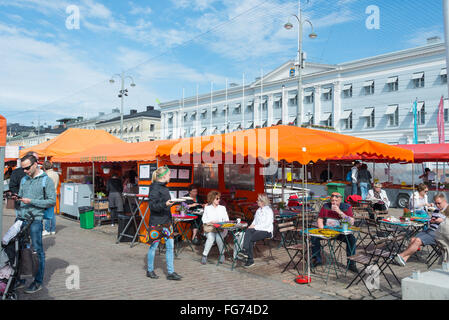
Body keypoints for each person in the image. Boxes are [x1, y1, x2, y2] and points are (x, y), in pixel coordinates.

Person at [14, 153, 56, 294]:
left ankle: (37, 282)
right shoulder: (24, 179)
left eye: (27, 168)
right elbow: (21, 196)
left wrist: (31, 201)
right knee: (18, 250)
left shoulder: (47, 181)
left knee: (37, 251)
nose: (24, 171)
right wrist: (17, 198)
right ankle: (20, 279)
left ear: (35, 164)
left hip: (36, 220)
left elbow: (51, 201)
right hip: (21, 219)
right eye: (23, 168)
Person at [146, 166, 182, 281]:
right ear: (164, 176)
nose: (170, 176)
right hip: (156, 223)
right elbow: (152, 206)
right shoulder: (154, 188)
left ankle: (170, 272)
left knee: (170, 247)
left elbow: (165, 204)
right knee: (153, 247)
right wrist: (165, 204)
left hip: (167, 222)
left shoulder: (165, 188)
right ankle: (150, 270)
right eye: (169, 174)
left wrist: (173, 203)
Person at [395, 193, 448, 267]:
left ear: (444, 201)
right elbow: (432, 221)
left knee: (417, 241)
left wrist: (442, 220)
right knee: (413, 239)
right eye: (436, 203)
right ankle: (403, 260)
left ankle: (400, 255)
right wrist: (432, 221)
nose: (437, 205)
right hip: (430, 230)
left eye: (439, 203)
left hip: (440, 233)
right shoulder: (436, 210)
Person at [311, 192, 358, 273]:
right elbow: (320, 219)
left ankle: (351, 263)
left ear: (340, 199)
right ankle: (317, 259)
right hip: (327, 231)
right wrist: (321, 230)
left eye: (336, 200)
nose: (334, 202)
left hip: (340, 233)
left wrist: (340, 212)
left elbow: (351, 222)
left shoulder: (346, 207)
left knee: (352, 239)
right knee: (314, 237)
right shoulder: (326, 206)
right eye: (332, 200)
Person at [238, 194, 274, 268]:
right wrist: (251, 226)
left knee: (250, 238)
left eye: (258, 200)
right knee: (248, 231)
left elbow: (267, 224)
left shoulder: (269, 211)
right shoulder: (258, 210)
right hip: (257, 229)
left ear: (263, 202)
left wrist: (255, 227)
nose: (256, 201)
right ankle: (245, 251)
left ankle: (249, 258)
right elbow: (254, 221)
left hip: (267, 231)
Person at [201, 190, 229, 265]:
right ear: (212, 199)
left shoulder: (222, 208)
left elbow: (226, 219)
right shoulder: (207, 208)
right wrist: (211, 221)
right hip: (210, 228)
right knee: (211, 238)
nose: (219, 200)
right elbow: (204, 219)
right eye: (217, 198)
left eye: (219, 198)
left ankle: (222, 254)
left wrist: (220, 222)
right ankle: (204, 255)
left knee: (219, 238)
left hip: (221, 228)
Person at [8, 151, 39, 217]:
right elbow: (12, 186)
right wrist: (19, 196)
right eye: (36, 160)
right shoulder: (17, 172)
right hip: (21, 204)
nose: (37, 162)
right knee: (20, 223)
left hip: (35, 205)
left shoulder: (40, 173)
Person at [42, 161, 59, 236]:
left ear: (45, 167)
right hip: (54, 193)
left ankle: (47, 229)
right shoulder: (56, 174)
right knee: (52, 213)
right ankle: (52, 229)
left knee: (47, 213)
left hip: (48, 194)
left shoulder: (46, 175)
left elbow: (44, 186)